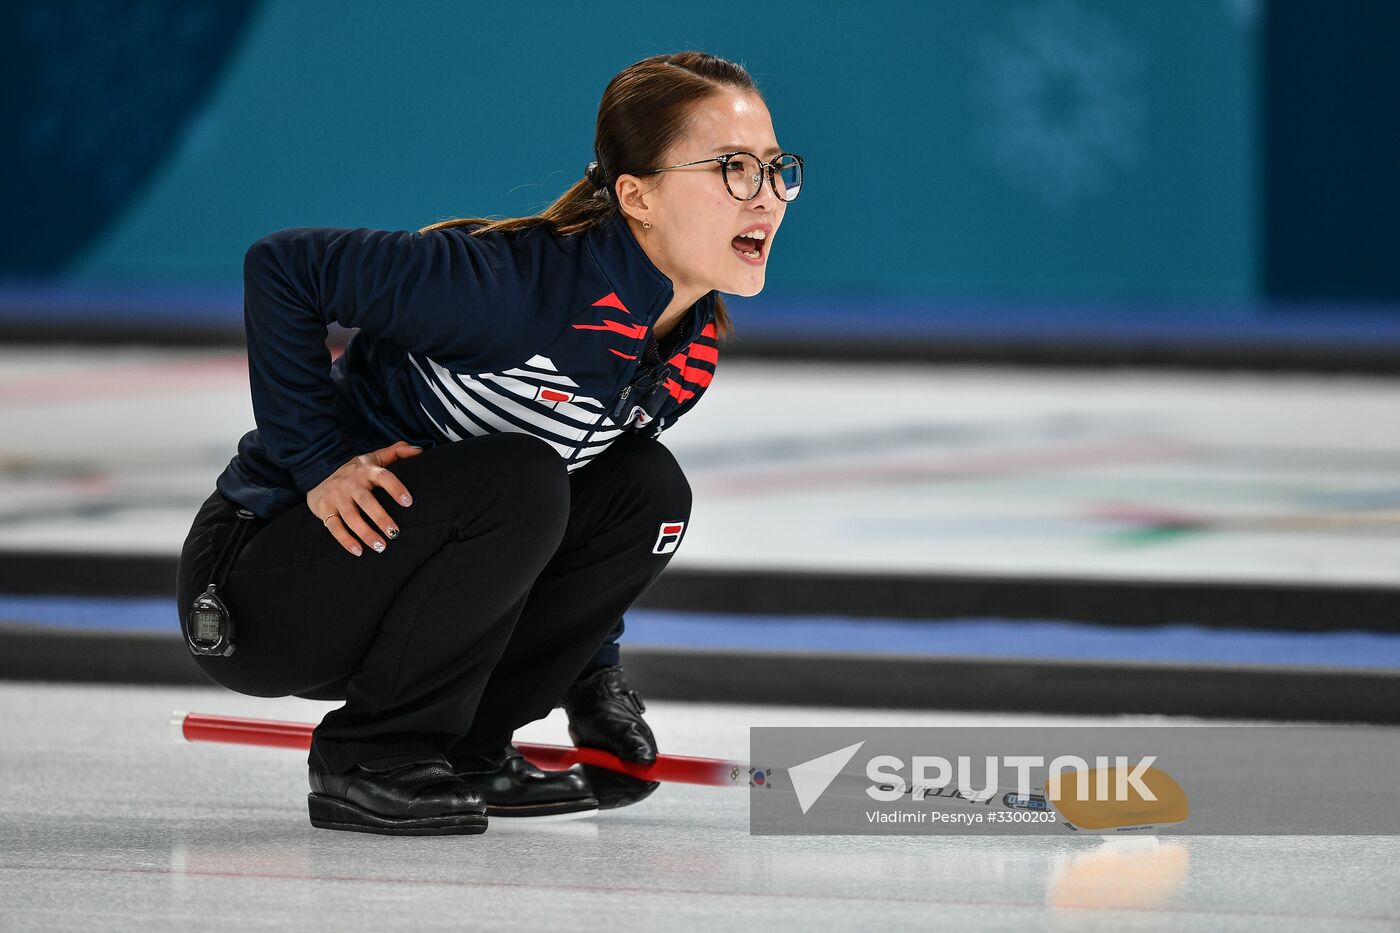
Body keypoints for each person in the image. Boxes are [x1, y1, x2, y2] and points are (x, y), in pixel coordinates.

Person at [175, 50, 802, 836]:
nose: (768, 197)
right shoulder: (509, 290)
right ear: (637, 195)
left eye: (777, 169)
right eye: (733, 169)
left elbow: (588, 493)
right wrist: (320, 460)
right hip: (258, 590)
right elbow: (284, 268)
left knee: (647, 491)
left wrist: (592, 680)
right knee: (521, 478)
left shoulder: (686, 351)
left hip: (395, 584)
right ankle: (370, 756)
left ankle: (467, 745)